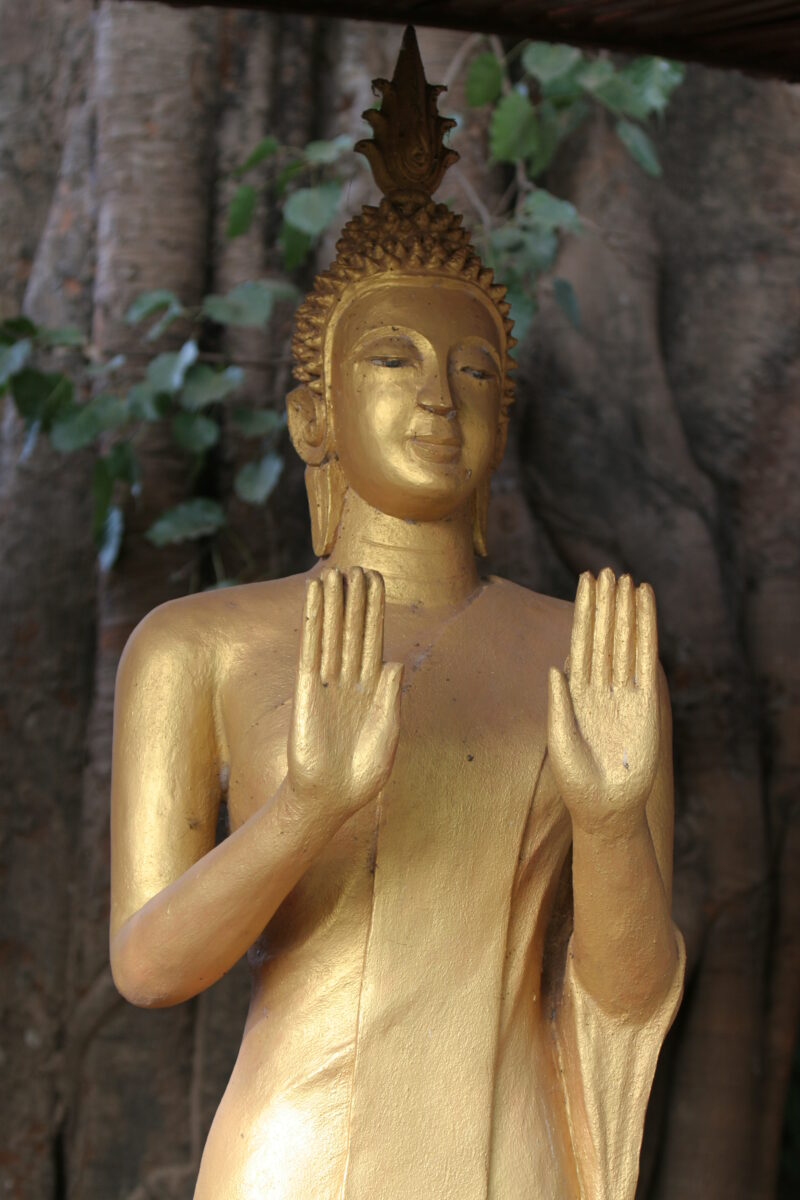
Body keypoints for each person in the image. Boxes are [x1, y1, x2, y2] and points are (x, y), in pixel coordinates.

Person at [109, 28, 684, 1200]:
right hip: (292, 1157)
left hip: (505, 1154)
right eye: (391, 359)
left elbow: (624, 992)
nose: (437, 393)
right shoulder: (198, 645)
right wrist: (303, 810)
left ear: (503, 414)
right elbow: (148, 968)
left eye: (473, 372)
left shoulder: (590, 656)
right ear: (312, 418)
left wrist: (612, 823)